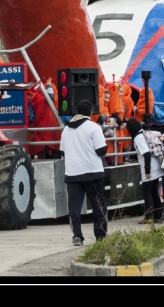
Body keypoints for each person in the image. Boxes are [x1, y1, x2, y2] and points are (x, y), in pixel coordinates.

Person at [59, 100, 108, 246]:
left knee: (74, 207)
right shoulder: (94, 127)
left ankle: (77, 236)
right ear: (91, 112)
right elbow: (101, 151)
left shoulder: (66, 130)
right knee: (98, 205)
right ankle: (100, 237)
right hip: (93, 171)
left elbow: (62, 152)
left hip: (72, 173)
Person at [126, 119, 162, 224]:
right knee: (154, 192)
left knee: (147, 193)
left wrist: (147, 171)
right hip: (156, 166)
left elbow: (146, 153)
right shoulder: (145, 132)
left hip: (149, 168)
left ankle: (148, 216)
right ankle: (157, 216)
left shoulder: (138, 138)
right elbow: (158, 133)